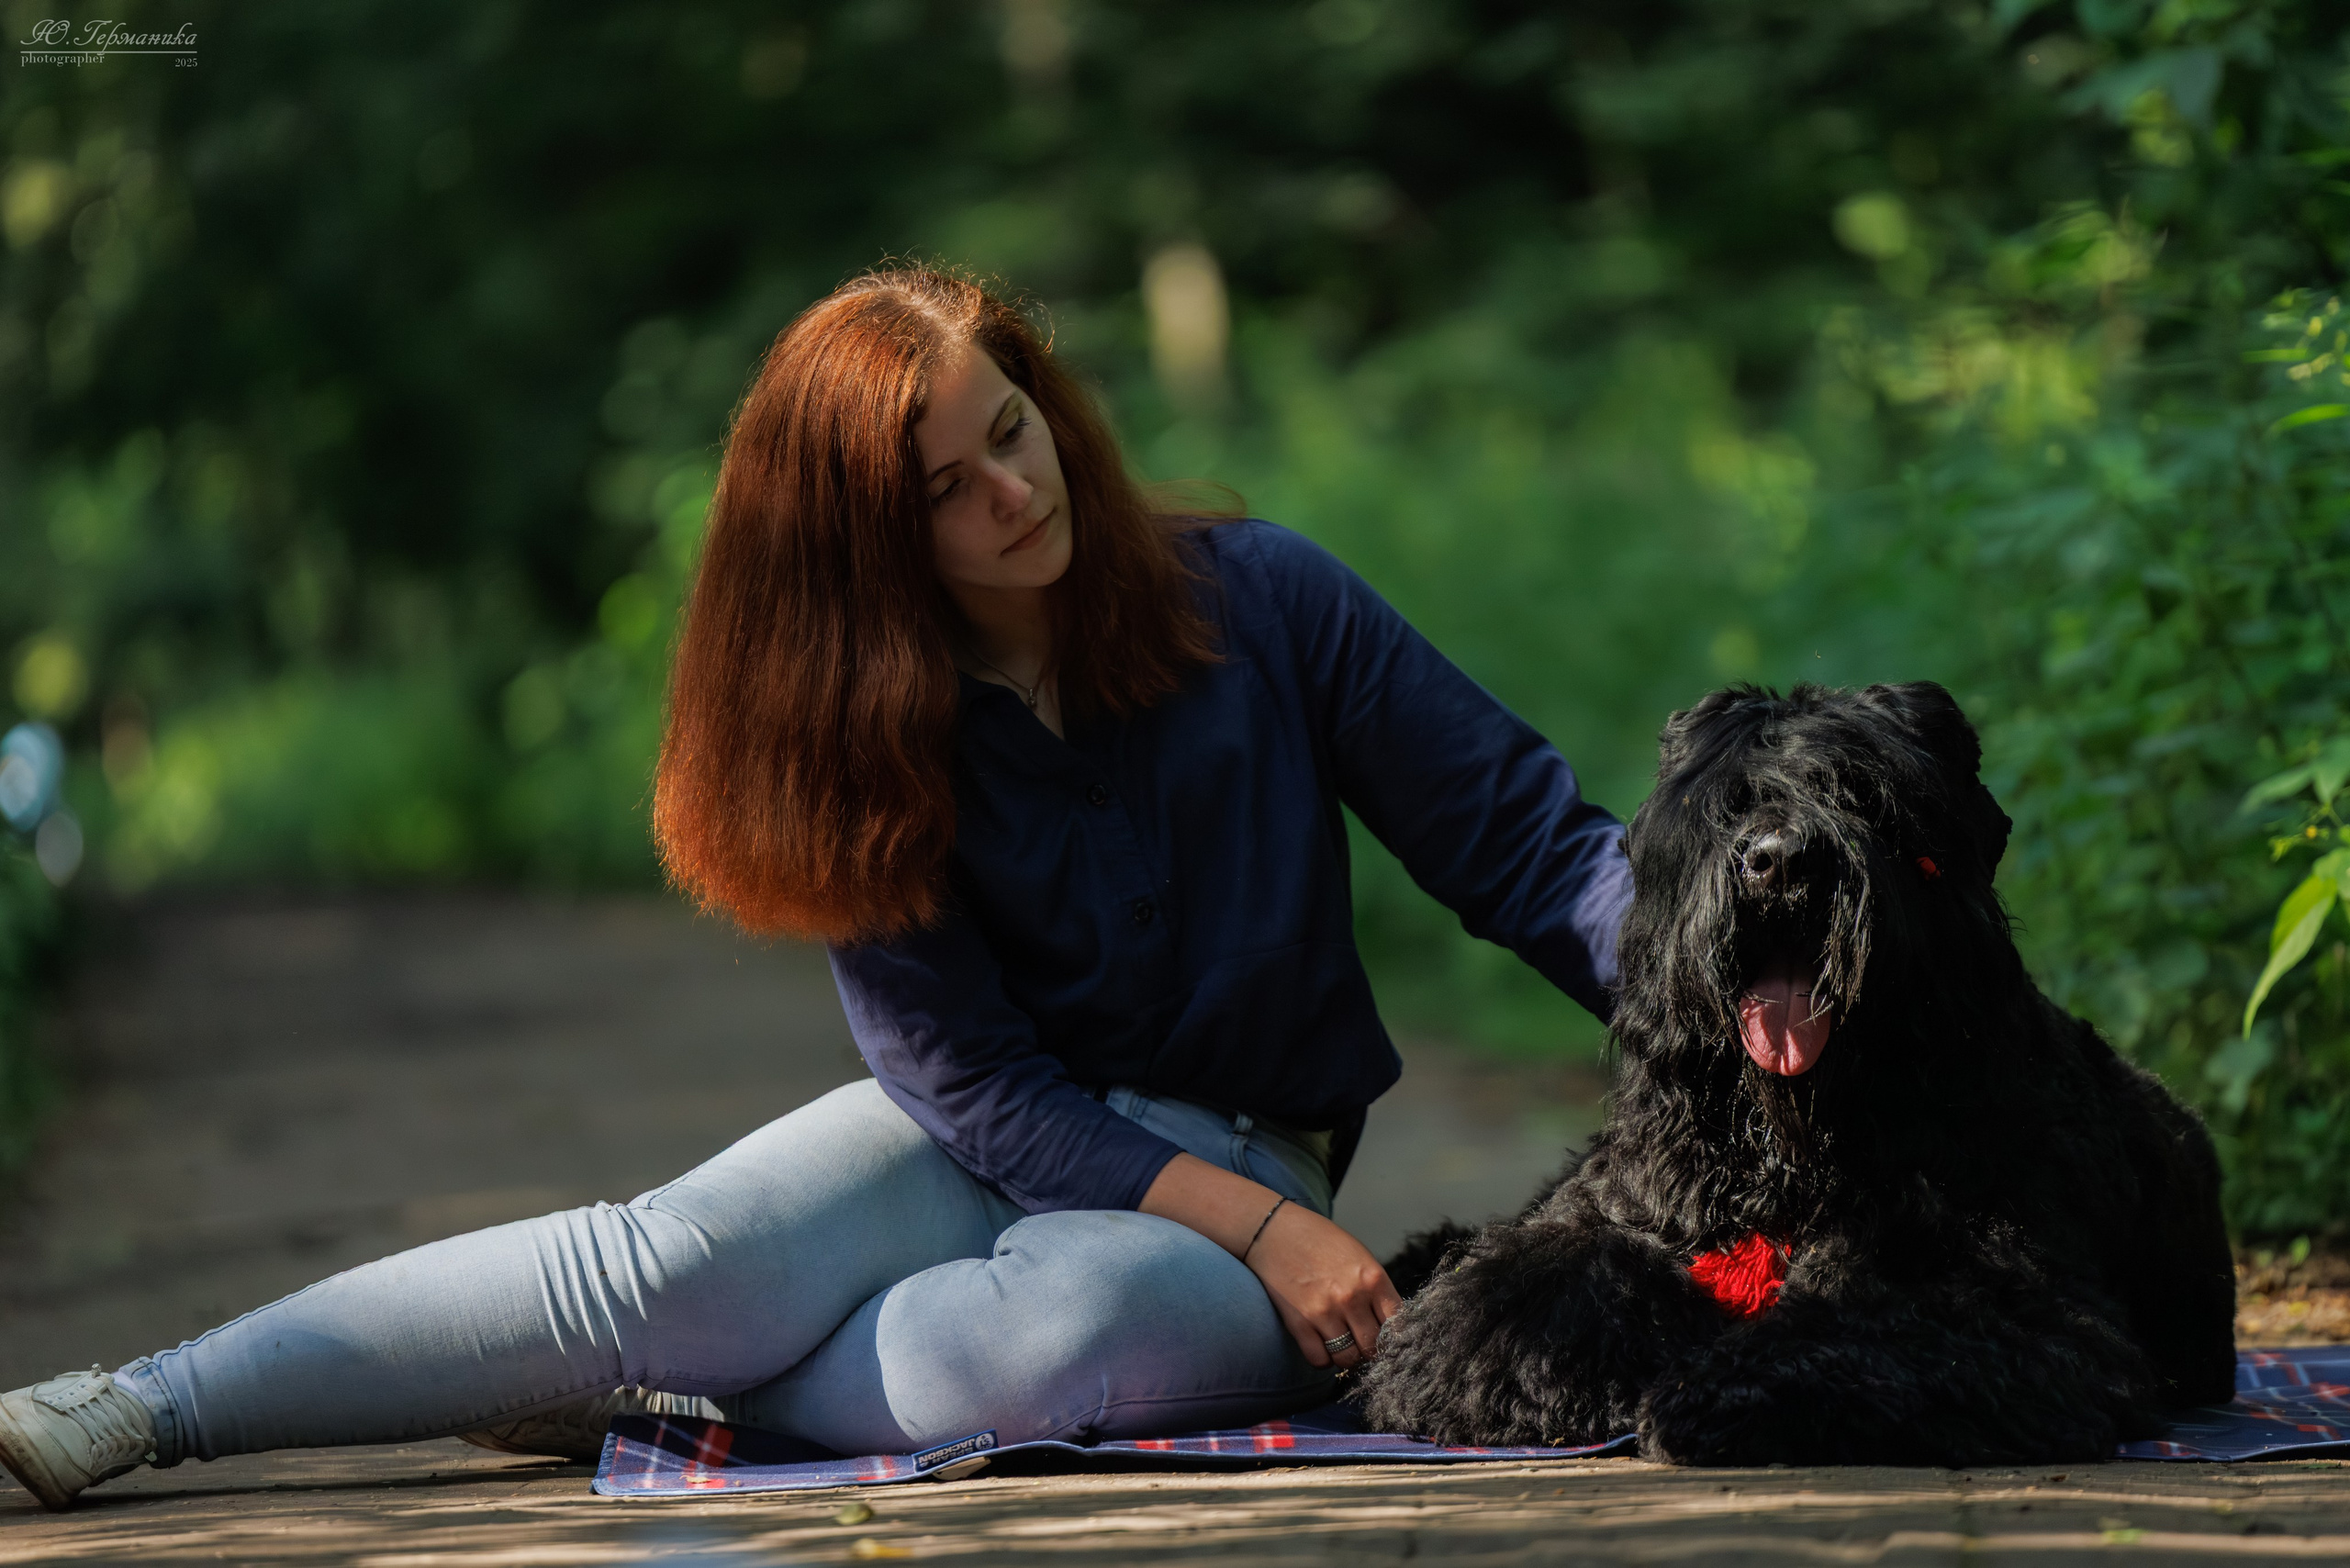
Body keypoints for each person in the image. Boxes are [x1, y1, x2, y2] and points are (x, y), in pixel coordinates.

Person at [0, 267, 1631, 1512]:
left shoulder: (1264, 602)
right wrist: (1275, 1237)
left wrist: (1787, 996)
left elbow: (1537, 850)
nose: (1018, 490)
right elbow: (980, 1090)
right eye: (947, 489)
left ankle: (671, 1393)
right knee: (657, 1267)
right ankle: (149, 1400)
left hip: (1222, 1175)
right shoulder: (857, 728)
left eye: (1016, 428)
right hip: (973, 1140)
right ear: (866, 545)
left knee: (1056, 1346)